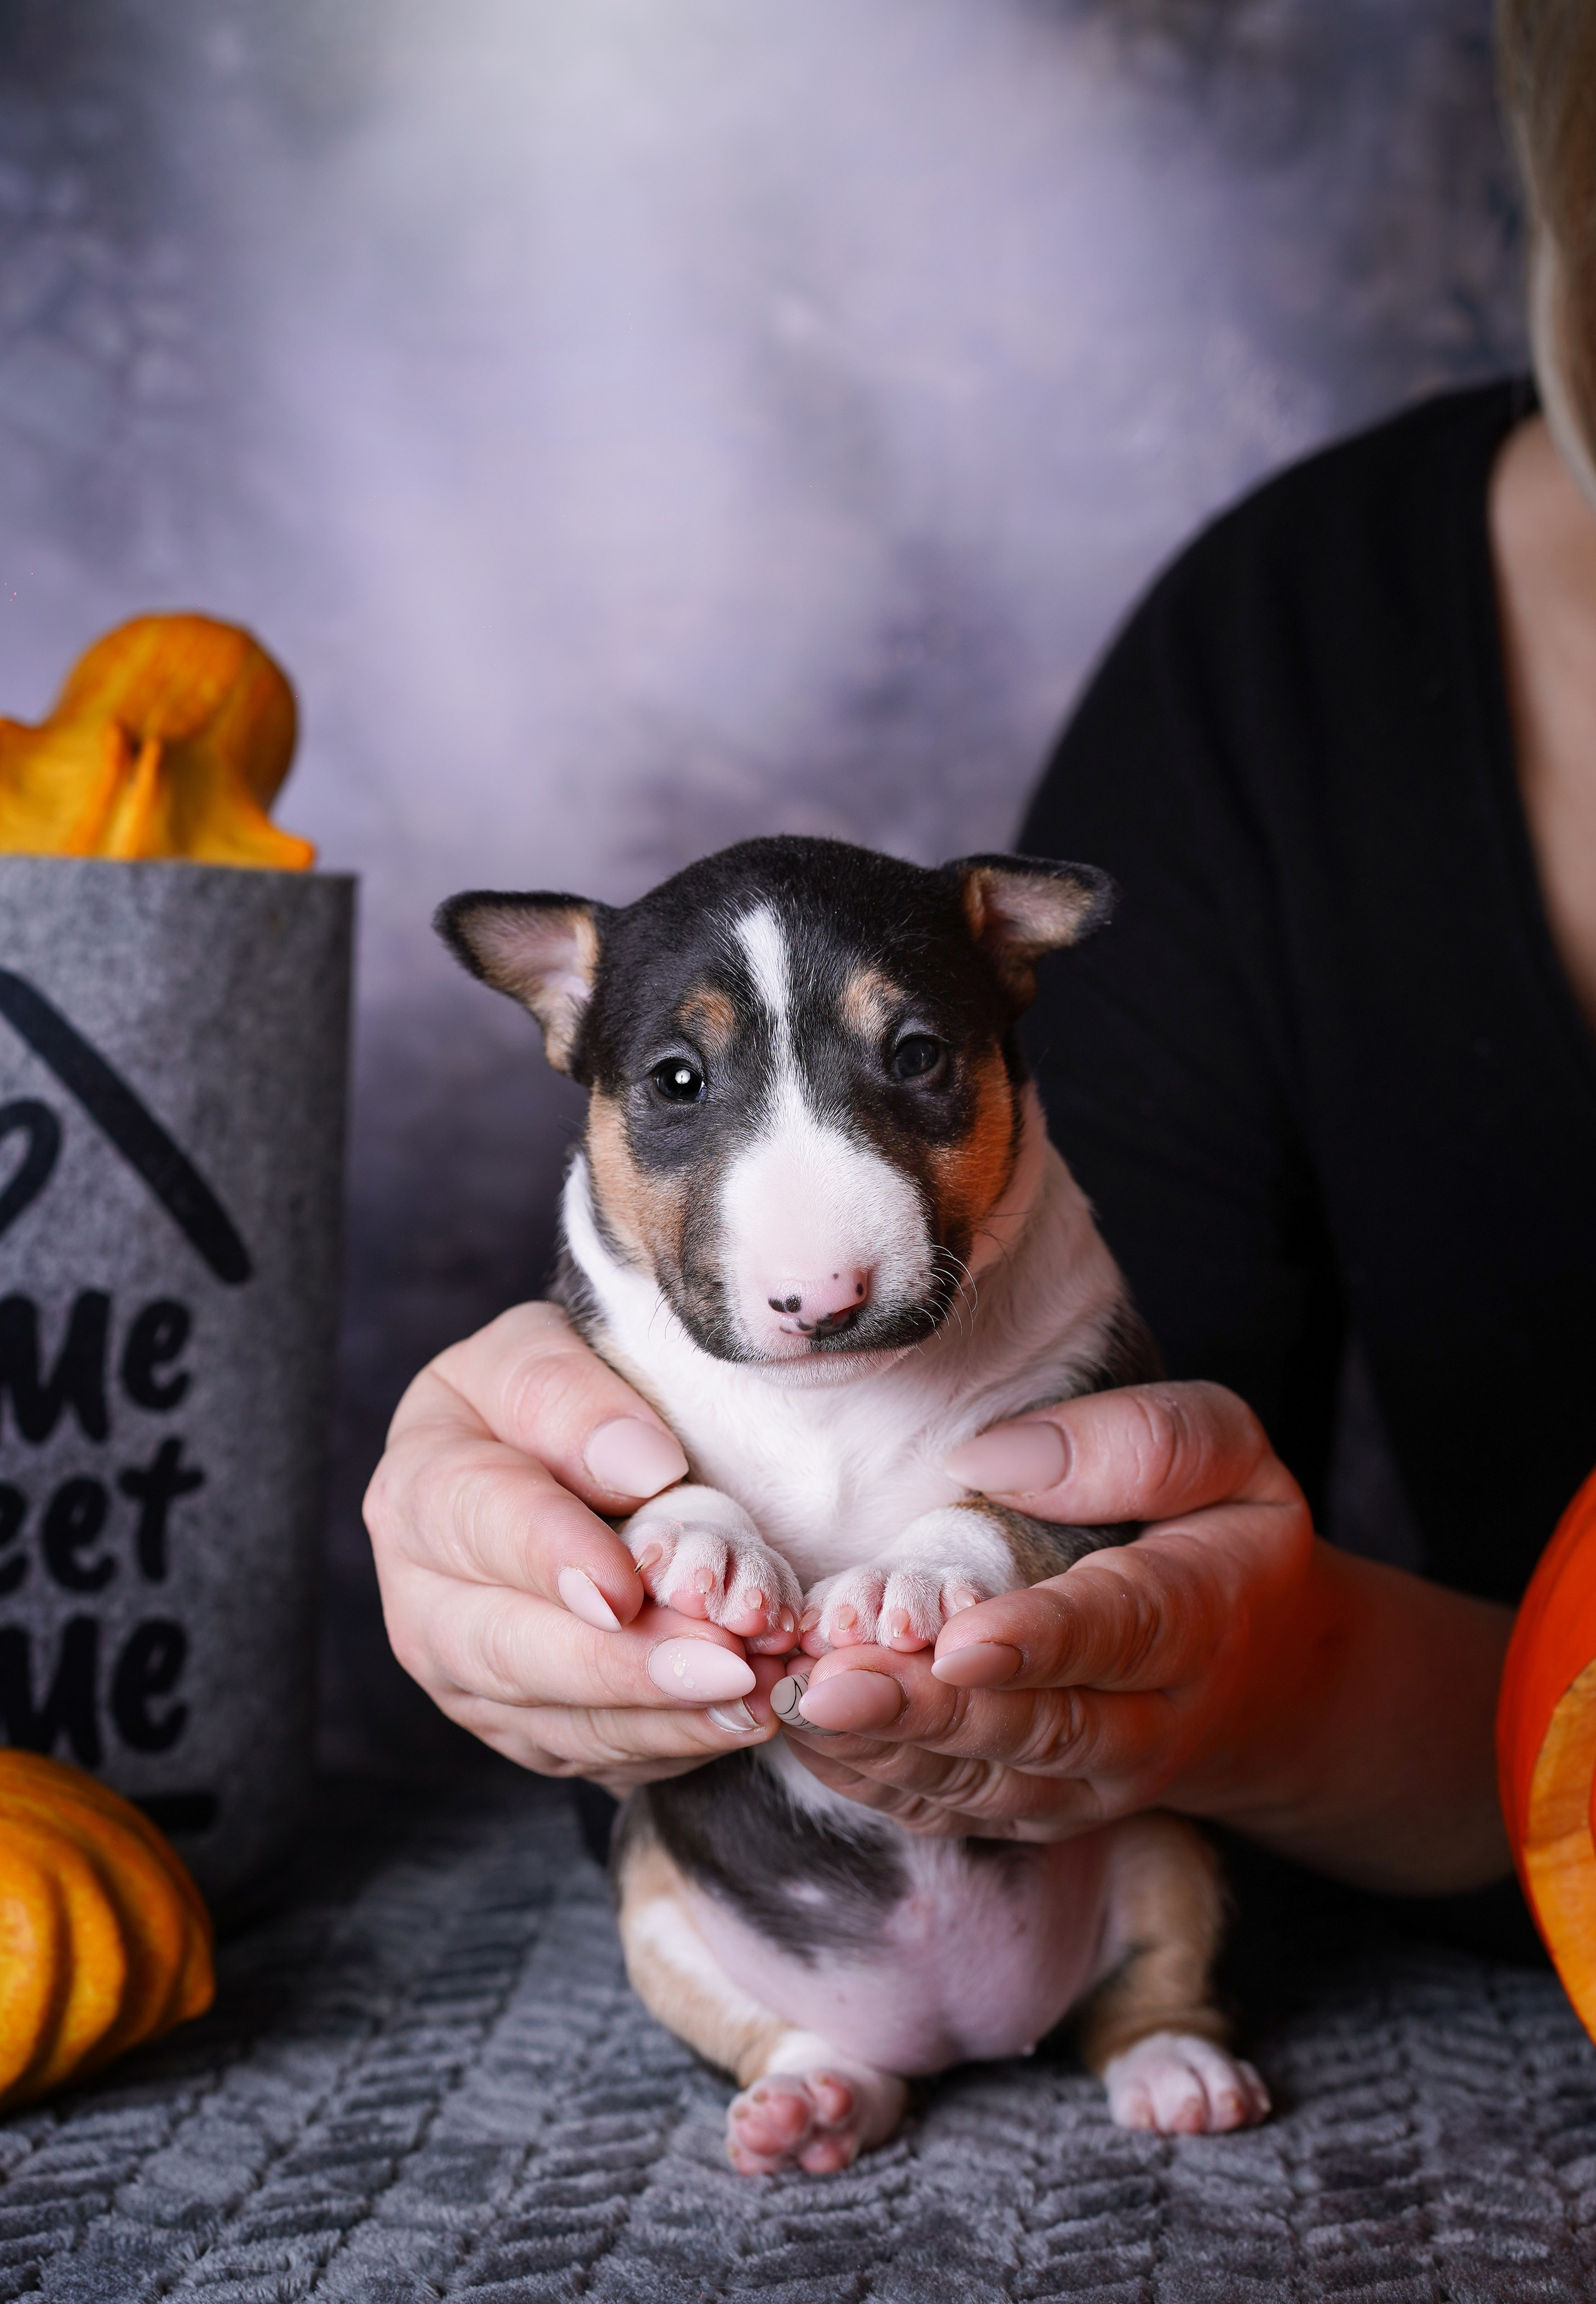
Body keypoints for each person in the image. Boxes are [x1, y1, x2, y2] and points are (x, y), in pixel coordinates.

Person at [363, 0, 1596, 1904]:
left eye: (909, 1064)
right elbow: (1140, 1569)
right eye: (683, 1087)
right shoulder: (1275, 679)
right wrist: (588, 1644)